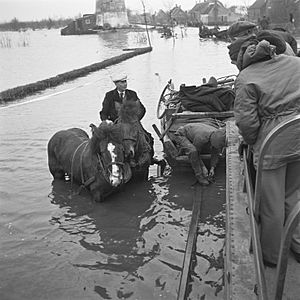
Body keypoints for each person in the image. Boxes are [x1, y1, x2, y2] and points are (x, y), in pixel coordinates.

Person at [227, 37, 300, 267]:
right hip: (299, 137)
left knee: (272, 204)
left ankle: (272, 256)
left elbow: (247, 122)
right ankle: (298, 244)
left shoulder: (246, 78)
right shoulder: (296, 64)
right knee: (295, 196)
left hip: (273, 144)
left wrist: (252, 143)